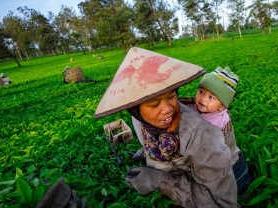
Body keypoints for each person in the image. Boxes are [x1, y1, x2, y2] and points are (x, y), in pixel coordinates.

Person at [95, 47, 238, 207]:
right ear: (135, 109)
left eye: (171, 97)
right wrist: (149, 151)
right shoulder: (138, 118)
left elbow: (220, 202)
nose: (168, 109)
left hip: (225, 175)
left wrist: (160, 181)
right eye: (155, 104)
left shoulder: (199, 134)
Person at [181, 66, 252, 195]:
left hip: (230, 163)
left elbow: (216, 147)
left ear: (222, 107)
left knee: (226, 185)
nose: (203, 99)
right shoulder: (194, 107)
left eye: (211, 97)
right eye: (201, 92)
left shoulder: (221, 120)